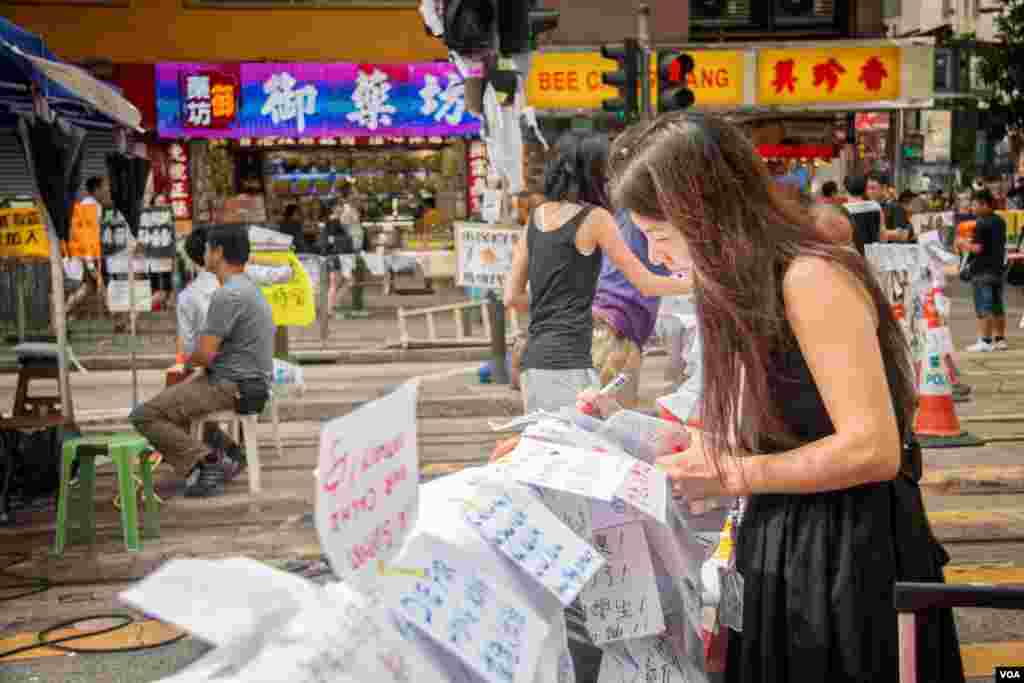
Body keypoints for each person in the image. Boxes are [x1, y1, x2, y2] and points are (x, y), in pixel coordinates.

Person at [607, 112, 963, 683]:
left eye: (660, 236)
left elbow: (872, 448)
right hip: (782, 542)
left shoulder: (810, 279)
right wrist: (624, 436)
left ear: (705, 216)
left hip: (846, 554)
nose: (657, 257)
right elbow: (780, 432)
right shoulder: (743, 291)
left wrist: (732, 473)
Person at [502, 131, 690, 416]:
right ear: (594, 173)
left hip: (535, 360)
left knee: (544, 449)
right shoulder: (596, 218)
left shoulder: (536, 218)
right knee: (600, 446)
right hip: (587, 353)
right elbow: (647, 284)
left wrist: (562, 301)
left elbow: (512, 297)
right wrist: (700, 283)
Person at [132, 226, 275, 498]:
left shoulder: (227, 294)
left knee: (145, 414)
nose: (204, 253)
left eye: (208, 248)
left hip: (231, 386)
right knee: (181, 400)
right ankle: (229, 452)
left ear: (218, 253)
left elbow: (203, 354)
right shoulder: (249, 288)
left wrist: (189, 361)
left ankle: (205, 463)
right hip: (250, 383)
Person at [959, 188, 1009, 352]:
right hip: (997, 269)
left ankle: (985, 341)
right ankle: (1000, 339)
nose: (972, 208)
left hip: (981, 271)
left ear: (984, 204)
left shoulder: (981, 223)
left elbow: (978, 249)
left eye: (974, 205)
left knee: (983, 307)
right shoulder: (1000, 221)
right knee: (997, 306)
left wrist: (963, 244)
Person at [65, 176, 108, 316]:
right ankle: (64, 312)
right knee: (90, 286)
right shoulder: (91, 207)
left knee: (90, 286)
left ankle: (65, 313)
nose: (106, 191)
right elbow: (85, 233)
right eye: (104, 188)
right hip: (85, 252)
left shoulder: (89, 204)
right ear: (96, 190)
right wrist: (89, 261)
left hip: (83, 252)